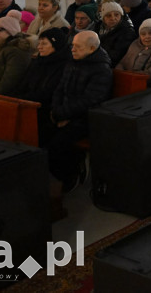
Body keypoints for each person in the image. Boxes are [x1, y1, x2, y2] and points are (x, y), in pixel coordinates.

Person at [42, 31, 113, 192]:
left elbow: (90, 101)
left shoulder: (101, 69)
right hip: (65, 113)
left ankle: (69, 177)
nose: (72, 49)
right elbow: (59, 89)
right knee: (40, 133)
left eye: (77, 46)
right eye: (72, 45)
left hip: (86, 119)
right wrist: (56, 112)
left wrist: (63, 115)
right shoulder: (73, 61)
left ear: (92, 48)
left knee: (57, 145)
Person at [13, 27, 70, 129]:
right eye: (39, 43)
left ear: (56, 45)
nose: (39, 47)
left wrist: (23, 99)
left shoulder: (65, 65)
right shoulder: (38, 61)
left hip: (44, 109)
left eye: (44, 44)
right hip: (26, 102)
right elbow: (23, 83)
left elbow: (49, 92)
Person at [116, 17, 151, 84]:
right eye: (143, 34)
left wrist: (128, 76)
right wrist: (119, 74)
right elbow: (122, 63)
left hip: (146, 86)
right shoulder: (135, 45)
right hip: (126, 81)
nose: (147, 37)